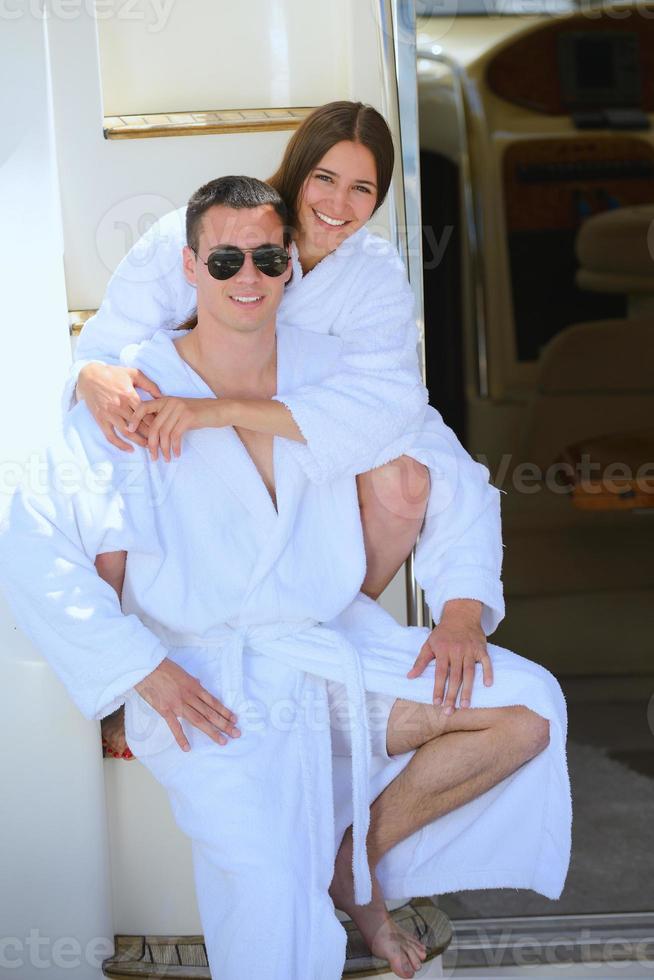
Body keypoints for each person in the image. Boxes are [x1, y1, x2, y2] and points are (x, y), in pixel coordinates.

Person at [1, 178, 570, 980]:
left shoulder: (334, 372)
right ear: (191, 267)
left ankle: (354, 858)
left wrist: (462, 610)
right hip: (206, 681)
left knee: (526, 709)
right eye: (226, 257)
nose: (249, 276)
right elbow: (32, 545)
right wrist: (140, 669)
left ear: (288, 268)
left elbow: (457, 480)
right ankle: (317, 882)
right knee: (271, 884)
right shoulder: (134, 388)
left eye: (268, 256)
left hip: (329, 655)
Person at [67, 102, 505, 762]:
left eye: (363, 188)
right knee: (113, 462)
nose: (339, 204)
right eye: (325, 179)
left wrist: (462, 611)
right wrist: (90, 377)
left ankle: (317, 630)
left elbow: (391, 413)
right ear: (297, 171)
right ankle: (125, 683)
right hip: (185, 436)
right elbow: (103, 347)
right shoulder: (200, 233)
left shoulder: (373, 276)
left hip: (287, 440)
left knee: (409, 481)